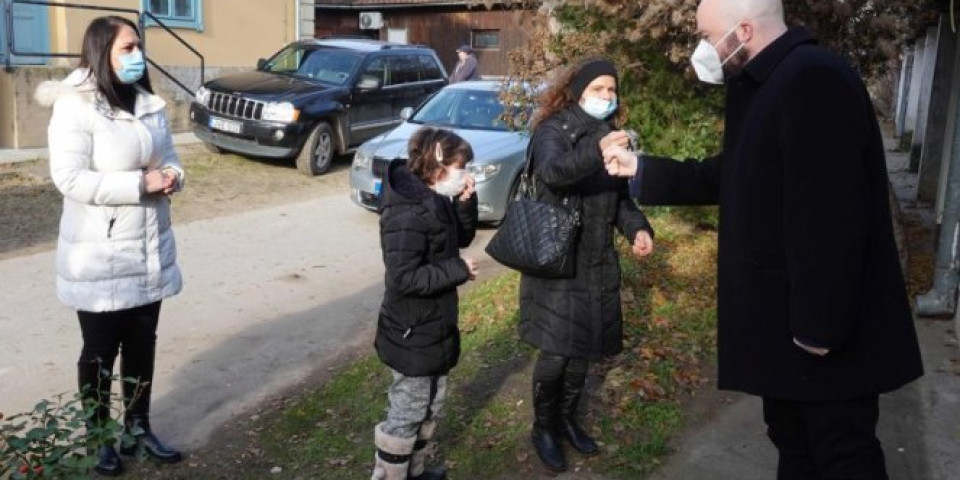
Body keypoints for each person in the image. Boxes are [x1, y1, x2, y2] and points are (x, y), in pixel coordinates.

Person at [602, 0, 923, 478]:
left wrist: (819, 328)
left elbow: (834, 216)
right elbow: (731, 173)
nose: (703, 50)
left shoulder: (812, 80)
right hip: (786, 330)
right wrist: (642, 169)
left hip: (820, 336)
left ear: (744, 30)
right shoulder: (766, 83)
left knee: (840, 454)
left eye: (709, 38)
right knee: (795, 445)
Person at [35, 15, 185, 477]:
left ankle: (137, 428)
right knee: (100, 352)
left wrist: (175, 177)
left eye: (138, 45)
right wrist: (141, 183)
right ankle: (100, 436)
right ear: (101, 51)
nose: (137, 54)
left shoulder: (147, 102)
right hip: (100, 252)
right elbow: (70, 178)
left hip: (149, 247)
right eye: (127, 47)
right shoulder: (75, 107)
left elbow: (173, 158)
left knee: (143, 345)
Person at [520, 58, 655, 473]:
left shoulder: (609, 135)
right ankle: (543, 427)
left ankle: (566, 420)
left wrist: (637, 229)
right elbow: (553, 173)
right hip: (559, 260)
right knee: (557, 352)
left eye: (612, 90)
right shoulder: (553, 130)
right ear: (578, 90)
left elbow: (620, 200)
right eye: (599, 88)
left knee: (583, 351)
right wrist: (596, 152)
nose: (607, 97)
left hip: (597, 262)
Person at [371, 127, 479, 480]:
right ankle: (389, 475)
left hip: (434, 324)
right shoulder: (407, 213)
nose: (464, 173)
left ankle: (413, 472)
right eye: (460, 167)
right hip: (411, 329)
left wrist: (465, 202)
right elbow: (404, 277)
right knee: (408, 410)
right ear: (437, 165)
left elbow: (459, 238)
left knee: (431, 403)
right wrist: (457, 270)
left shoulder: (435, 199)